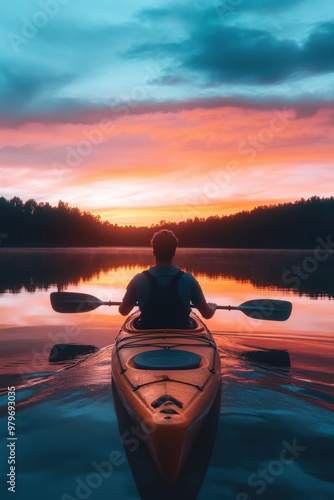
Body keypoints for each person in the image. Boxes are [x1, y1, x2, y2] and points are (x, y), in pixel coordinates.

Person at [119, 229, 217, 328]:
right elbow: (207, 314)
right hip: (182, 331)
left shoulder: (139, 279)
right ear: (174, 252)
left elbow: (123, 311)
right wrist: (212, 307)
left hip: (148, 330)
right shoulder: (188, 279)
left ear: (154, 251)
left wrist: (133, 299)